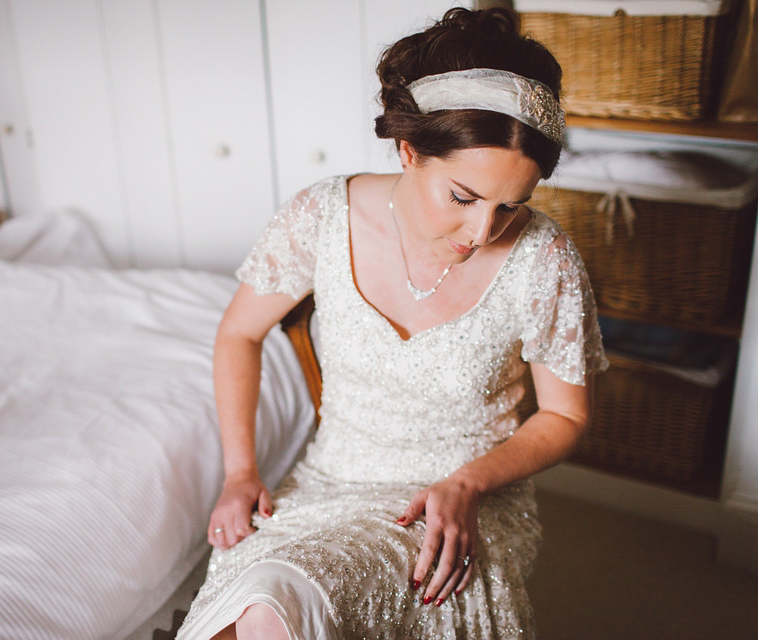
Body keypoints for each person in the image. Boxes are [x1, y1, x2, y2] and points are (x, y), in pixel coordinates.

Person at [177, 7, 607, 639]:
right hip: (332, 481)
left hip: (466, 499)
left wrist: (468, 482)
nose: (483, 232)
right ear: (408, 151)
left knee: (272, 616)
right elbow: (240, 332)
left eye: (512, 204)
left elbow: (565, 416)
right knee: (259, 606)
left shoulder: (544, 258)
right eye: (463, 197)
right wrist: (241, 471)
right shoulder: (322, 215)